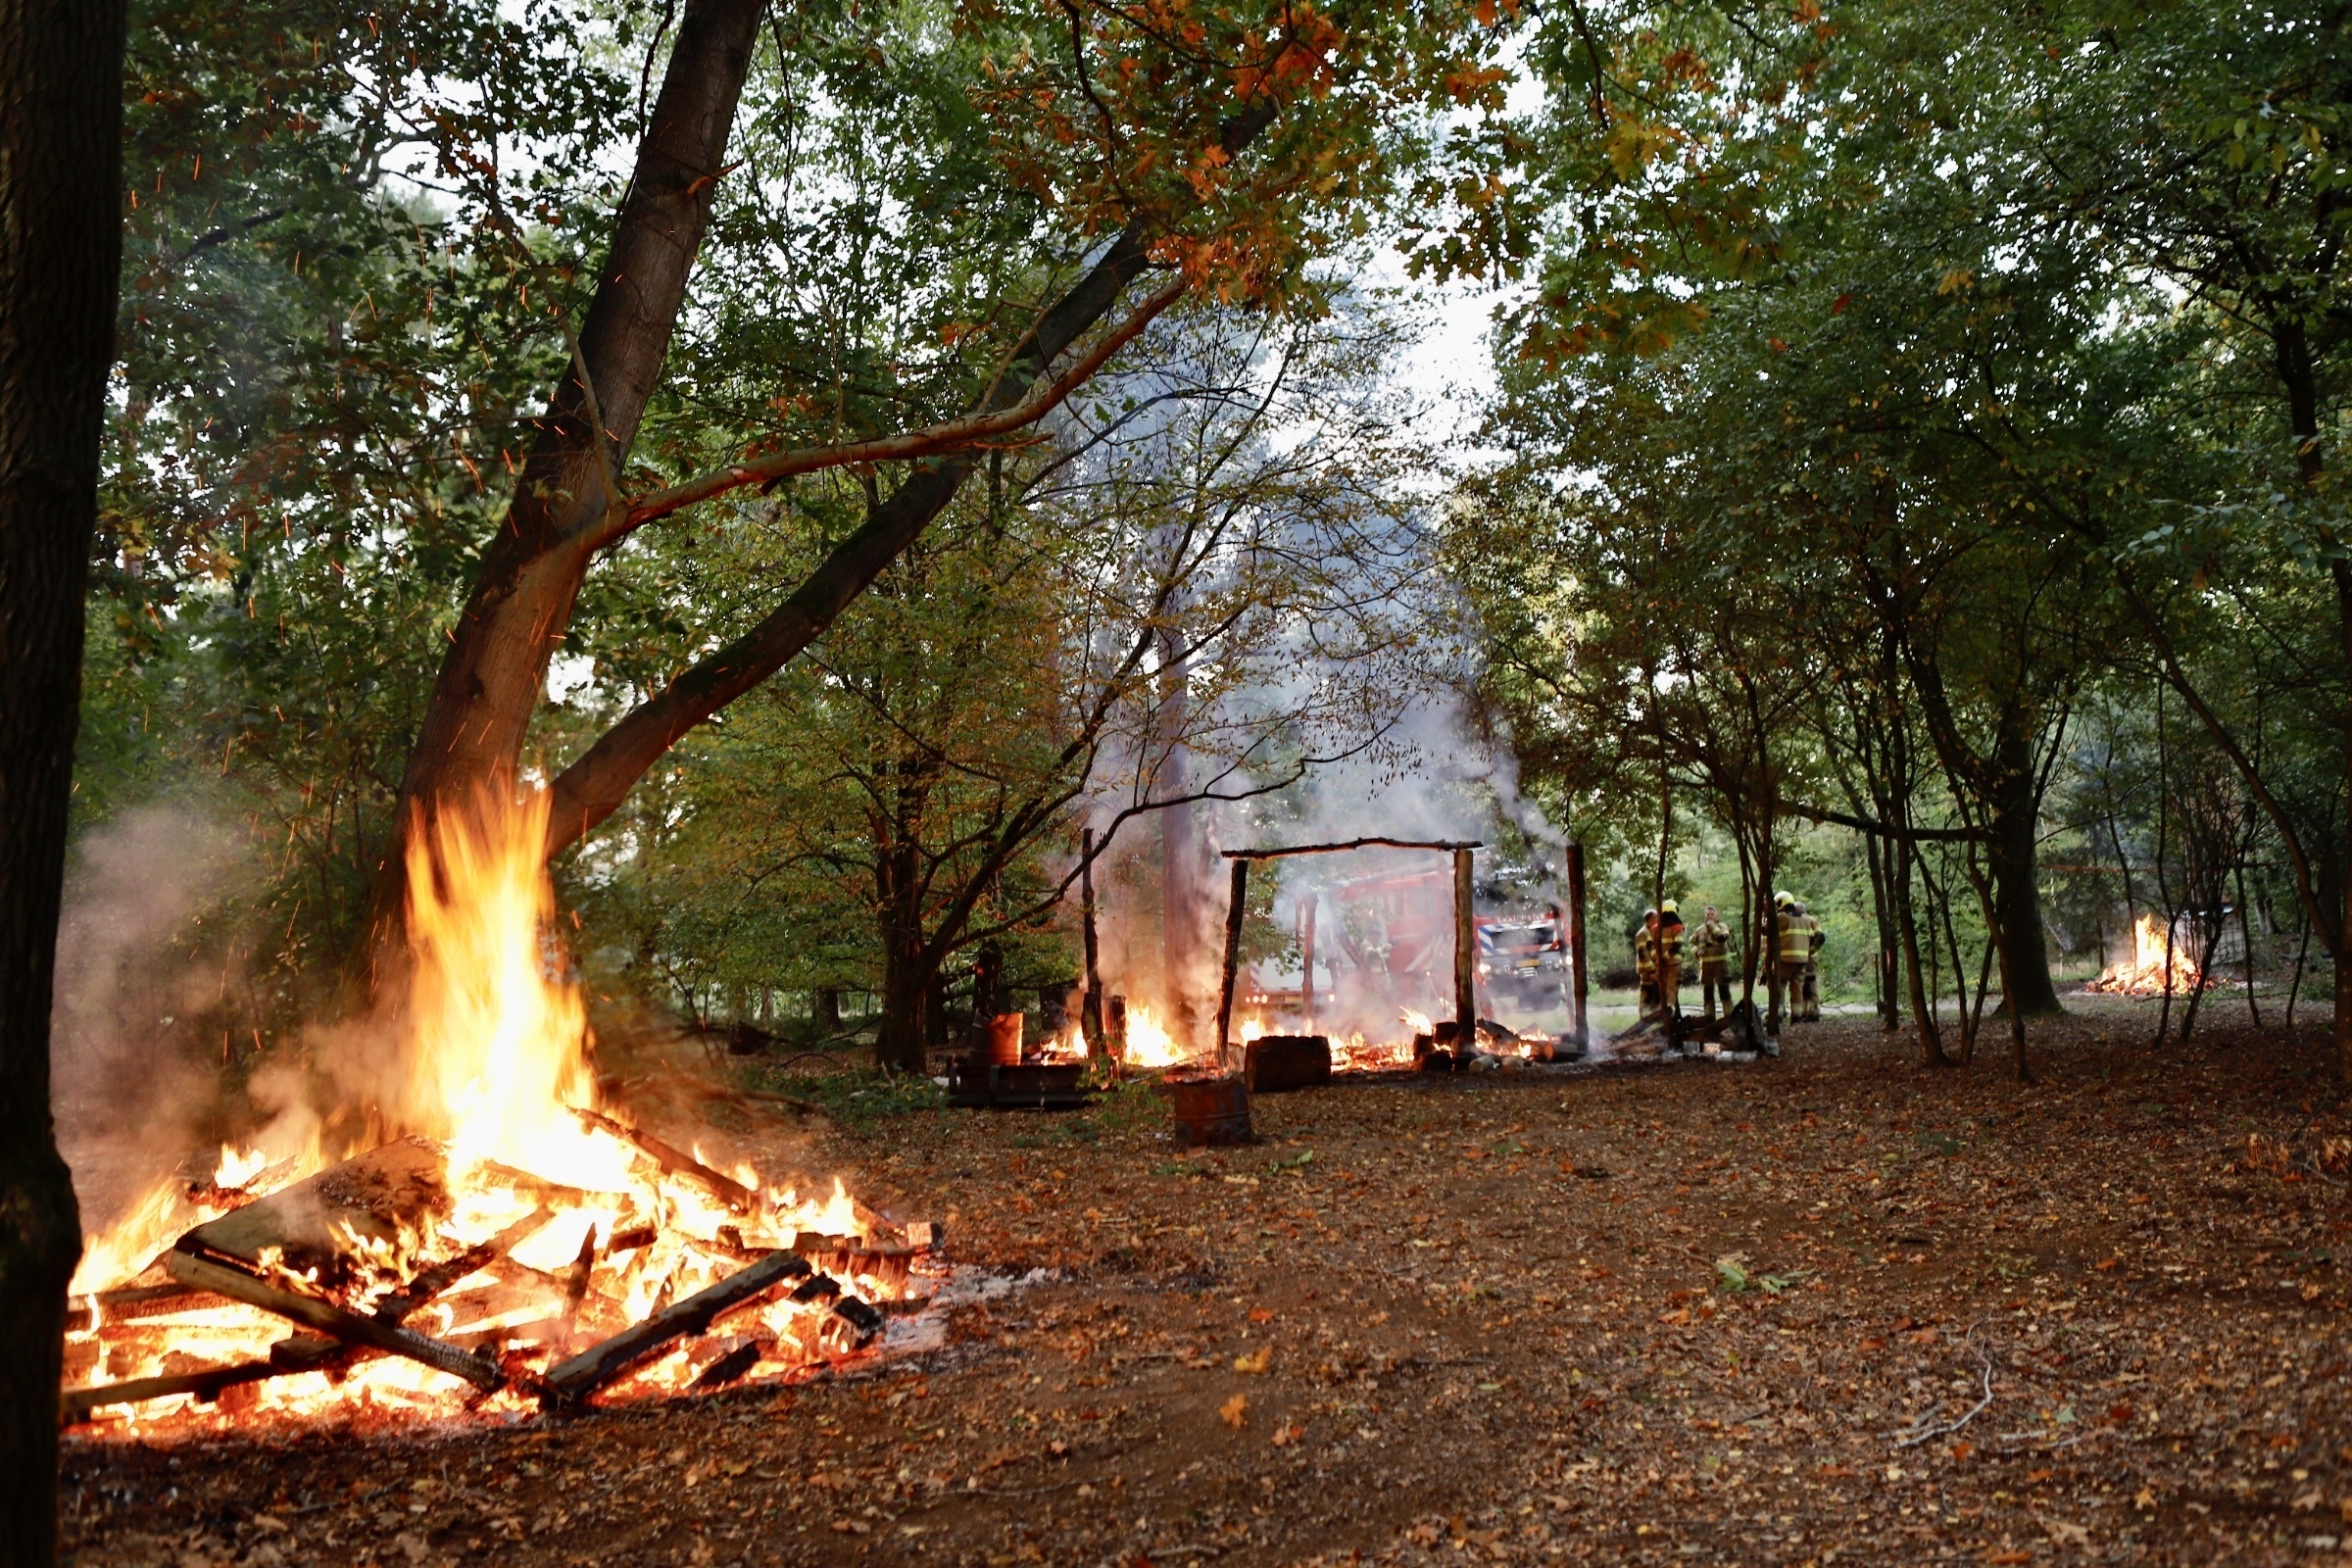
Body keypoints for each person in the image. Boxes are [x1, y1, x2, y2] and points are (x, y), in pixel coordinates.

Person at [1775, 892, 1809, 1026]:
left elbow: (1767, 930)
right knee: (1797, 989)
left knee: (1779, 987)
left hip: (1786, 959)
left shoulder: (1781, 917)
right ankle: (1797, 1016)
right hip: (1802, 960)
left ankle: (1777, 1014)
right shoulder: (1806, 919)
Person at [1694, 905, 1733, 1021]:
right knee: (1708, 993)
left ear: (1716, 915)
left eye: (1712, 914)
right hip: (1706, 966)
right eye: (1708, 914)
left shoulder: (1723, 927)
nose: (1710, 916)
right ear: (1704, 916)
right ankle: (1709, 1018)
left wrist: (1712, 927)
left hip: (1720, 965)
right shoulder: (1699, 930)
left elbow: (1722, 937)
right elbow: (1692, 943)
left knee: (1724, 991)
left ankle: (1729, 1017)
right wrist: (1696, 951)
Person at [1796, 902, 1825, 1021]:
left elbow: (1821, 937)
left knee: (1811, 985)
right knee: (1803, 986)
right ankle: (1805, 1012)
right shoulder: (1800, 921)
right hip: (1801, 958)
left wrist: (1811, 951)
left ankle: (1813, 1012)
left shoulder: (1809, 920)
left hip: (1809, 959)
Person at [1658, 899, 1686, 1018]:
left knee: (1665, 988)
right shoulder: (1677, 927)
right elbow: (1678, 943)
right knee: (1672, 988)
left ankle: (1669, 1013)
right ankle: (1672, 1014)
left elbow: (1649, 945)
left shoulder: (1656, 928)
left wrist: (1658, 959)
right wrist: (1666, 957)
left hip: (1660, 964)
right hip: (1674, 963)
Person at [1634, 908, 1661, 1014]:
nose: (1658, 920)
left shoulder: (1652, 932)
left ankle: (1654, 1020)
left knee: (1655, 995)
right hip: (1647, 970)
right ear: (1651, 920)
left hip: (1654, 969)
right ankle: (1643, 1021)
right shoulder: (1643, 934)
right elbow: (1643, 954)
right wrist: (1652, 970)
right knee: (1646, 995)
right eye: (1656, 918)